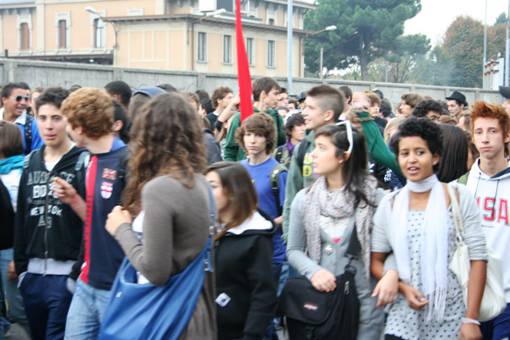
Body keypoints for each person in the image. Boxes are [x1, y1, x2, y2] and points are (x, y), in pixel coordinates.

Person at [104, 92, 215, 338]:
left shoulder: (160, 188)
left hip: (165, 314)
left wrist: (121, 228)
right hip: (194, 309)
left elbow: (155, 271)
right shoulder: (201, 183)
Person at [371, 117, 487, 340]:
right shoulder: (390, 203)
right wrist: (400, 284)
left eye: (420, 152)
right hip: (402, 316)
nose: (411, 160)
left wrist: (471, 318)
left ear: (435, 156)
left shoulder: (459, 196)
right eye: (405, 153)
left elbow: (479, 258)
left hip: (451, 315)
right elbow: (376, 260)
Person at [287, 122, 384, 339]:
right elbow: (293, 250)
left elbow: (391, 251)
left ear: (343, 156)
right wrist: (314, 271)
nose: (312, 155)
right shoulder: (305, 199)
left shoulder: (375, 199)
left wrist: (390, 275)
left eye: (321, 148)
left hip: (365, 304)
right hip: (321, 305)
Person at [55, 88, 129, 339]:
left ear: (79, 127)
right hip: (87, 283)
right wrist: (74, 199)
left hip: (116, 286)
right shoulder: (91, 160)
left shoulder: (127, 162)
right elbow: (97, 220)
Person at [14, 87, 85, 340]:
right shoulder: (31, 161)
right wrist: (23, 270)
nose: (49, 126)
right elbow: (22, 217)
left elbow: (91, 222)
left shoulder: (83, 162)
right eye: (42, 118)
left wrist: (75, 275)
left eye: (56, 118)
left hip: (67, 276)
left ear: (68, 120)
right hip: (32, 276)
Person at [205, 162, 277, 340]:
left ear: (232, 192)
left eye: (212, 186)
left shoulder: (255, 238)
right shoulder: (207, 227)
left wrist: (251, 335)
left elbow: (263, 294)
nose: (205, 192)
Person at [465, 101, 510, 340]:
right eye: (479, 132)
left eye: (492, 131)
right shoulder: (462, 185)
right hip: (471, 297)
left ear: (506, 135)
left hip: (508, 300)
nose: (485, 138)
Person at [282, 85, 344, 238]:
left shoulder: (349, 145)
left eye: (310, 108)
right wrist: (289, 236)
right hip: (308, 233)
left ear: (327, 114)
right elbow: (292, 195)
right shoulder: (303, 148)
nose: (304, 113)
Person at [0, 122, 27, 336]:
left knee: (19, 310)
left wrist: (17, 256)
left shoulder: (15, 176)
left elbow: (22, 219)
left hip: (10, 249)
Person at [223, 77, 285, 161]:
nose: (278, 98)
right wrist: (233, 171)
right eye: (275, 94)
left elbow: (282, 146)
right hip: (244, 171)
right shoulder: (240, 117)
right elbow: (230, 150)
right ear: (264, 94)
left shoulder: (277, 117)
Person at [0, 83, 43, 154]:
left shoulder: (33, 126)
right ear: (4, 99)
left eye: (26, 99)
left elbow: (38, 156)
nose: (23, 103)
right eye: (18, 98)